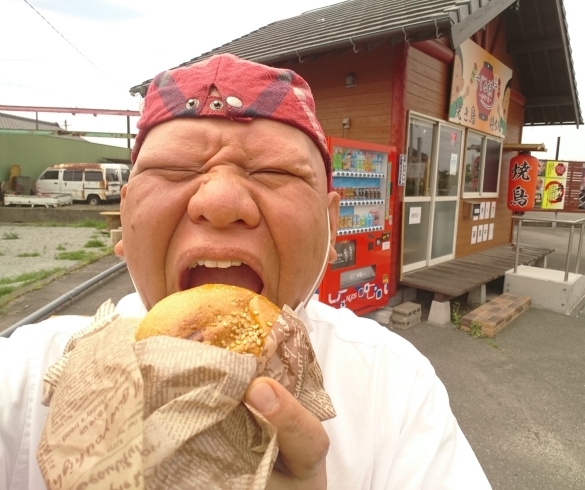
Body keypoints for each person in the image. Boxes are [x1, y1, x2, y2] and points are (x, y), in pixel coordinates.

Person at [0, 54, 491, 489]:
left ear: (331, 221)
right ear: (124, 217)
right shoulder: (27, 376)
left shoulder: (393, 389)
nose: (220, 202)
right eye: (174, 169)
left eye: (274, 172)